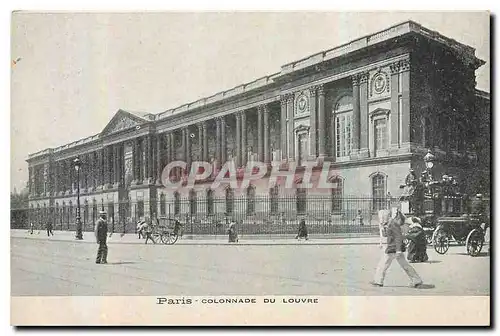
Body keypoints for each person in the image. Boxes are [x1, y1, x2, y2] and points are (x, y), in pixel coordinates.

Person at [371, 209, 423, 288]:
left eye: (381, 216)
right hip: (394, 248)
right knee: (405, 265)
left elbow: (398, 237)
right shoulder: (390, 223)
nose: (380, 218)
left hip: (393, 248)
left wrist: (398, 250)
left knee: (383, 265)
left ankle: (378, 281)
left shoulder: (393, 224)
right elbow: (389, 235)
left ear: (386, 216)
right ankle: (417, 280)